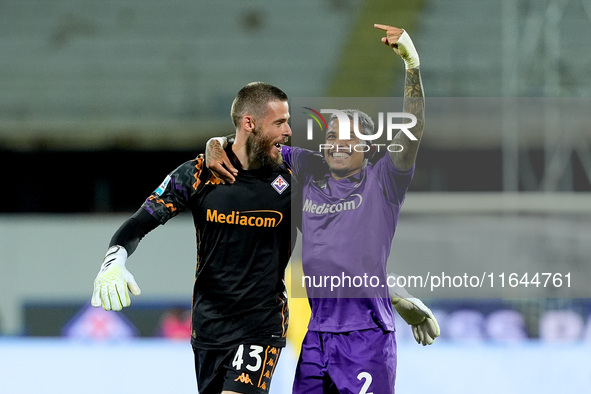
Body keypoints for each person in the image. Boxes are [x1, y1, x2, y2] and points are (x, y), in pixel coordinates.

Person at [206, 24, 439, 393]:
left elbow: (414, 129)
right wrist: (215, 141)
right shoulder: (305, 168)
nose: (338, 143)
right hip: (316, 335)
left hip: (365, 338)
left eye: (350, 137)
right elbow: (252, 141)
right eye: (332, 135)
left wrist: (412, 65)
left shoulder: (383, 181)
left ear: (369, 148)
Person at [91, 82, 295, 394]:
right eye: (279, 122)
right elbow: (138, 223)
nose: (288, 131)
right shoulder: (198, 173)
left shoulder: (296, 170)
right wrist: (114, 260)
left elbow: (354, 164)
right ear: (249, 123)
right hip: (209, 327)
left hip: (261, 325)